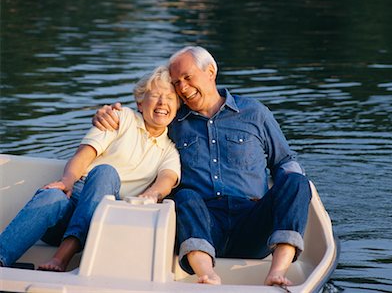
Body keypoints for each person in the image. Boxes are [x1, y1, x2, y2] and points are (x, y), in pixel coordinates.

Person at [92, 46, 311, 287]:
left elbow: (284, 161)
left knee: (296, 180)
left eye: (188, 77)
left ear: (210, 71)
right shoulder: (174, 120)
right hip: (202, 223)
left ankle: (277, 271)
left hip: (252, 224)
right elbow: (141, 123)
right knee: (184, 195)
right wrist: (109, 115)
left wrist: (290, 198)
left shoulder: (254, 113)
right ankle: (207, 275)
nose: (183, 88)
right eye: (176, 83)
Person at [0, 66, 181, 272]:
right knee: (53, 197)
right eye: (156, 95)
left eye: (169, 98)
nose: (162, 103)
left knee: (106, 172)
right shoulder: (120, 118)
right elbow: (84, 155)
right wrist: (67, 181)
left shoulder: (170, 150)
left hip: (104, 221)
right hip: (74, 202)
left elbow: (165, 181)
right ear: (140, 103)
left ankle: (62, 257)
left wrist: (144, 200)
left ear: (177, 107)